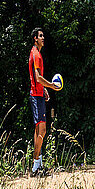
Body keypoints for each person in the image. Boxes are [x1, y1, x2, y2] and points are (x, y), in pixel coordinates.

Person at [28, 28, 60, 177]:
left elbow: (38, 80)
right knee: (42, 131)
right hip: (36, 96)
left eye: (43, 36)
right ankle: (36, 166)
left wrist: (44, 90)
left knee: (39, 131)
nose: (43, 38)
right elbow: (38, 77)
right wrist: (51, 86)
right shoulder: (36, 54)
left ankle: (38, 166)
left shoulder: (37, 53)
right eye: (41, 36)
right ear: (35, 38)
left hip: (38, 94)